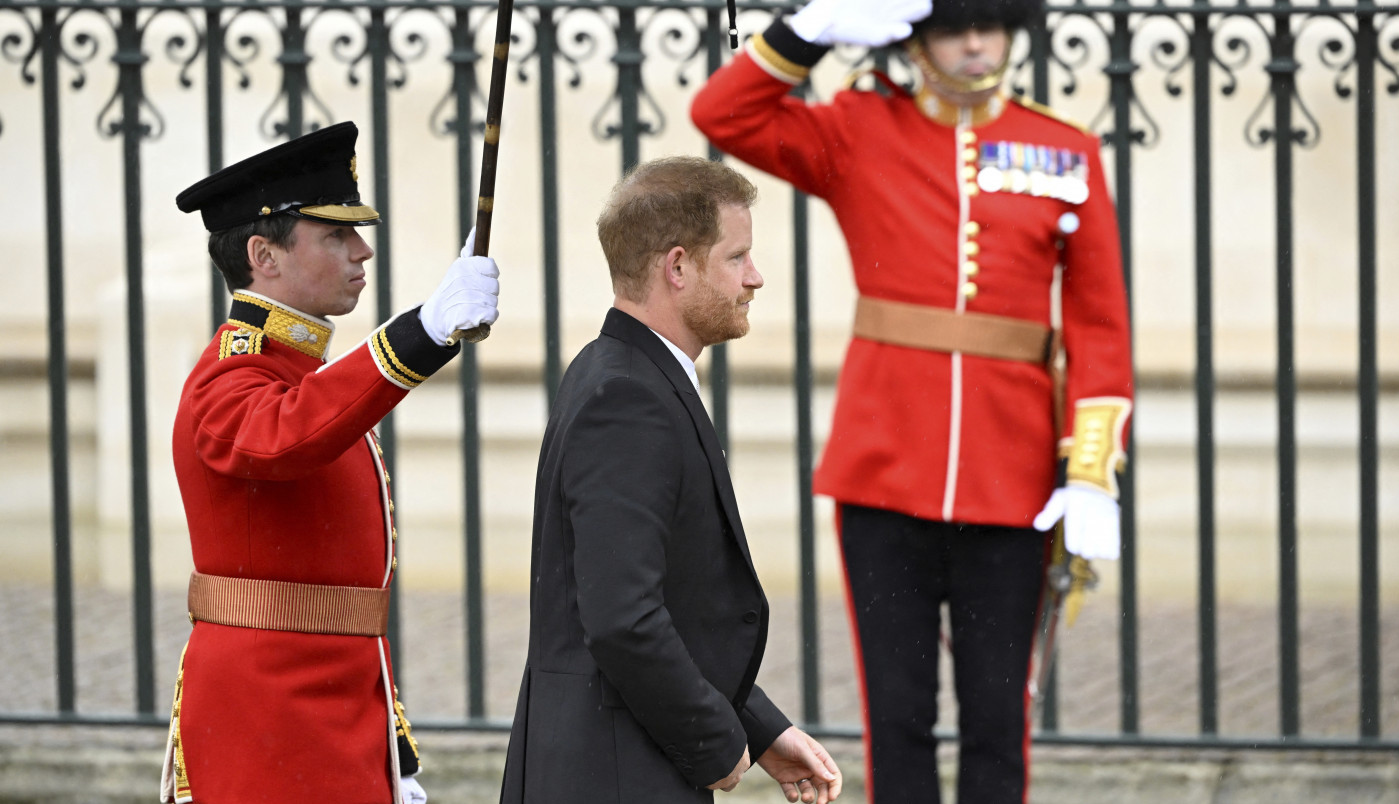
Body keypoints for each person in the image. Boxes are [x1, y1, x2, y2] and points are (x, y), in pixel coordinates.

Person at [692, 1, 1135, 802]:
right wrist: (807, 31)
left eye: (990, 25)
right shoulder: (862, 129)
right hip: (883, 466)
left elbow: (1099, 324)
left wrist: (1090, 467)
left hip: (1014, 478)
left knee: (998, 718)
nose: (975, 42)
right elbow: (722, 112)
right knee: (895, 714)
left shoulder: (1063, 151)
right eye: (954, 26)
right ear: (917, 39)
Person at [162, 121, 500, 804]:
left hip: (330, 709)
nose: (361, 250)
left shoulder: (295, 369)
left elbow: (345, 601)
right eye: (336, 235)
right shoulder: (230, 377)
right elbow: (284, 438)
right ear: (265, 255)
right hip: (267, 716)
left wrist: (389, 747)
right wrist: (423, 331)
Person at [499, 156, 842, 804]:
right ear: (677, 267)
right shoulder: (627, 399)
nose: (756, 277)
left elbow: (671, 600)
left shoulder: (626, 372)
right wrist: (714, 739)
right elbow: (622, 618)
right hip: (614, 774)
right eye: (737, 257)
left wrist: (759, 726)